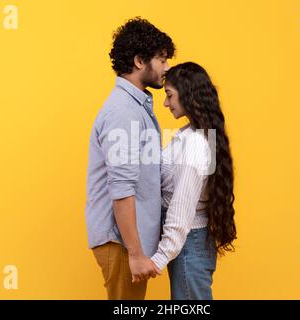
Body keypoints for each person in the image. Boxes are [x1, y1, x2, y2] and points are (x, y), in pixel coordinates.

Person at [85, 17, 175, 300]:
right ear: (139, 61)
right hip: (122, 244)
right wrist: (135, 253)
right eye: (162, 59)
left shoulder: (136, 107)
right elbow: (122, 187)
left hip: (127, 242)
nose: (167, 67)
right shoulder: (123, 111)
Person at [149, 62, 237, 300]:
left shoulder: (197, 143)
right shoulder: (189, 134)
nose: (166, 103)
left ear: (187, 94)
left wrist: (160, 257)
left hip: (188, 244)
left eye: (169, 95)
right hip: (189, 244)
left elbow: (182, 206)